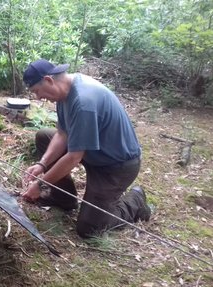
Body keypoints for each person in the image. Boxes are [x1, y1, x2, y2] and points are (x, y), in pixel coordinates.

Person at [21, 59, 151, 238]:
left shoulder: (83, 101)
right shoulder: (63, 93)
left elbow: (74, 157)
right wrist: (42, 165)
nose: (38, 97)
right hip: (92, 152)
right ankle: (64, 198)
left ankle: (136, 201)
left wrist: (41, 184)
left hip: (115, 166)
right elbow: (62, 134)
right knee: (45, 136)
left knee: (90, 229)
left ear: (49, 80)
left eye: (37, 91)